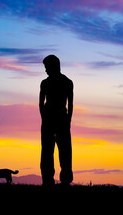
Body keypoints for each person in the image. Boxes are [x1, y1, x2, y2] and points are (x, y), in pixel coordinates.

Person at [39, 55, 74, 186]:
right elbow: (41, 104)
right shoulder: (45, 83)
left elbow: (70, 104)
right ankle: (48, 180)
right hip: (51, 121)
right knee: (48, 152)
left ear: (54, 66)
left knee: (64, 152)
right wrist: (44, 119)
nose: (46, 70)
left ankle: (64, 179)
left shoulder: (67, 82)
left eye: (47, 67)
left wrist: (68, 121)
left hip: (61, 121)